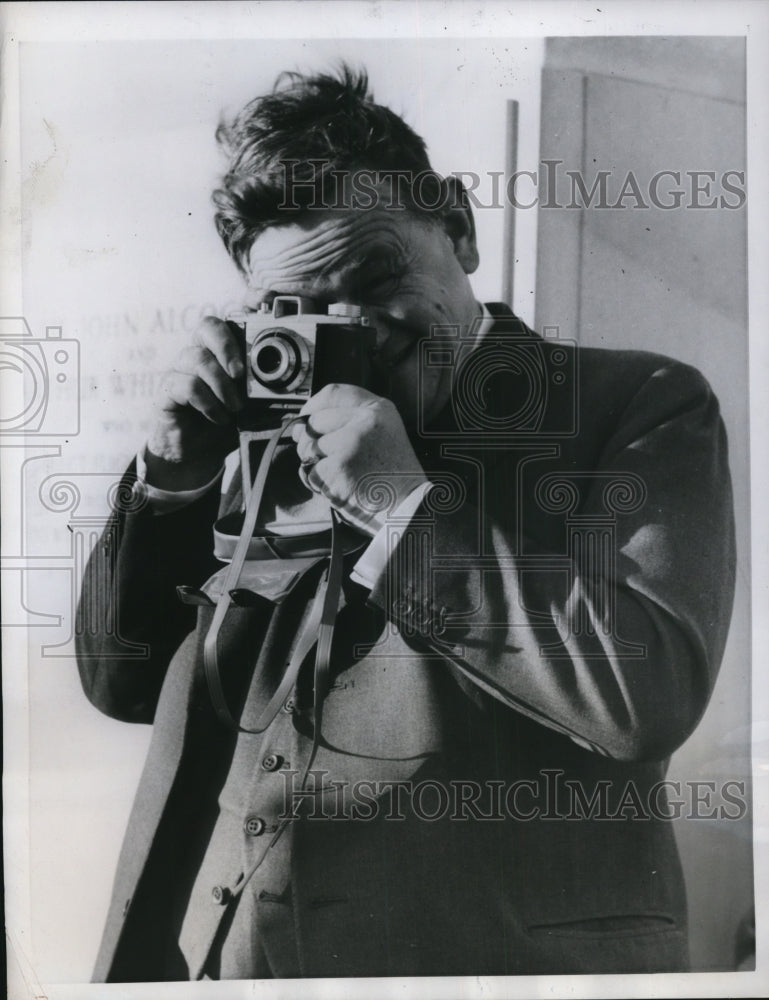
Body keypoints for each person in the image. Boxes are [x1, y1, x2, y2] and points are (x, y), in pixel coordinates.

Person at [77, 65, 736, 981]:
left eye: (378, 274)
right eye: (294, 308)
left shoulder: (633, 405)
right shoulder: (263, 440)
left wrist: (403, 508)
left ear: (458, 229)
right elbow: (124, 686)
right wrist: (171, 485)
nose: (351, 328)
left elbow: (642, 698)